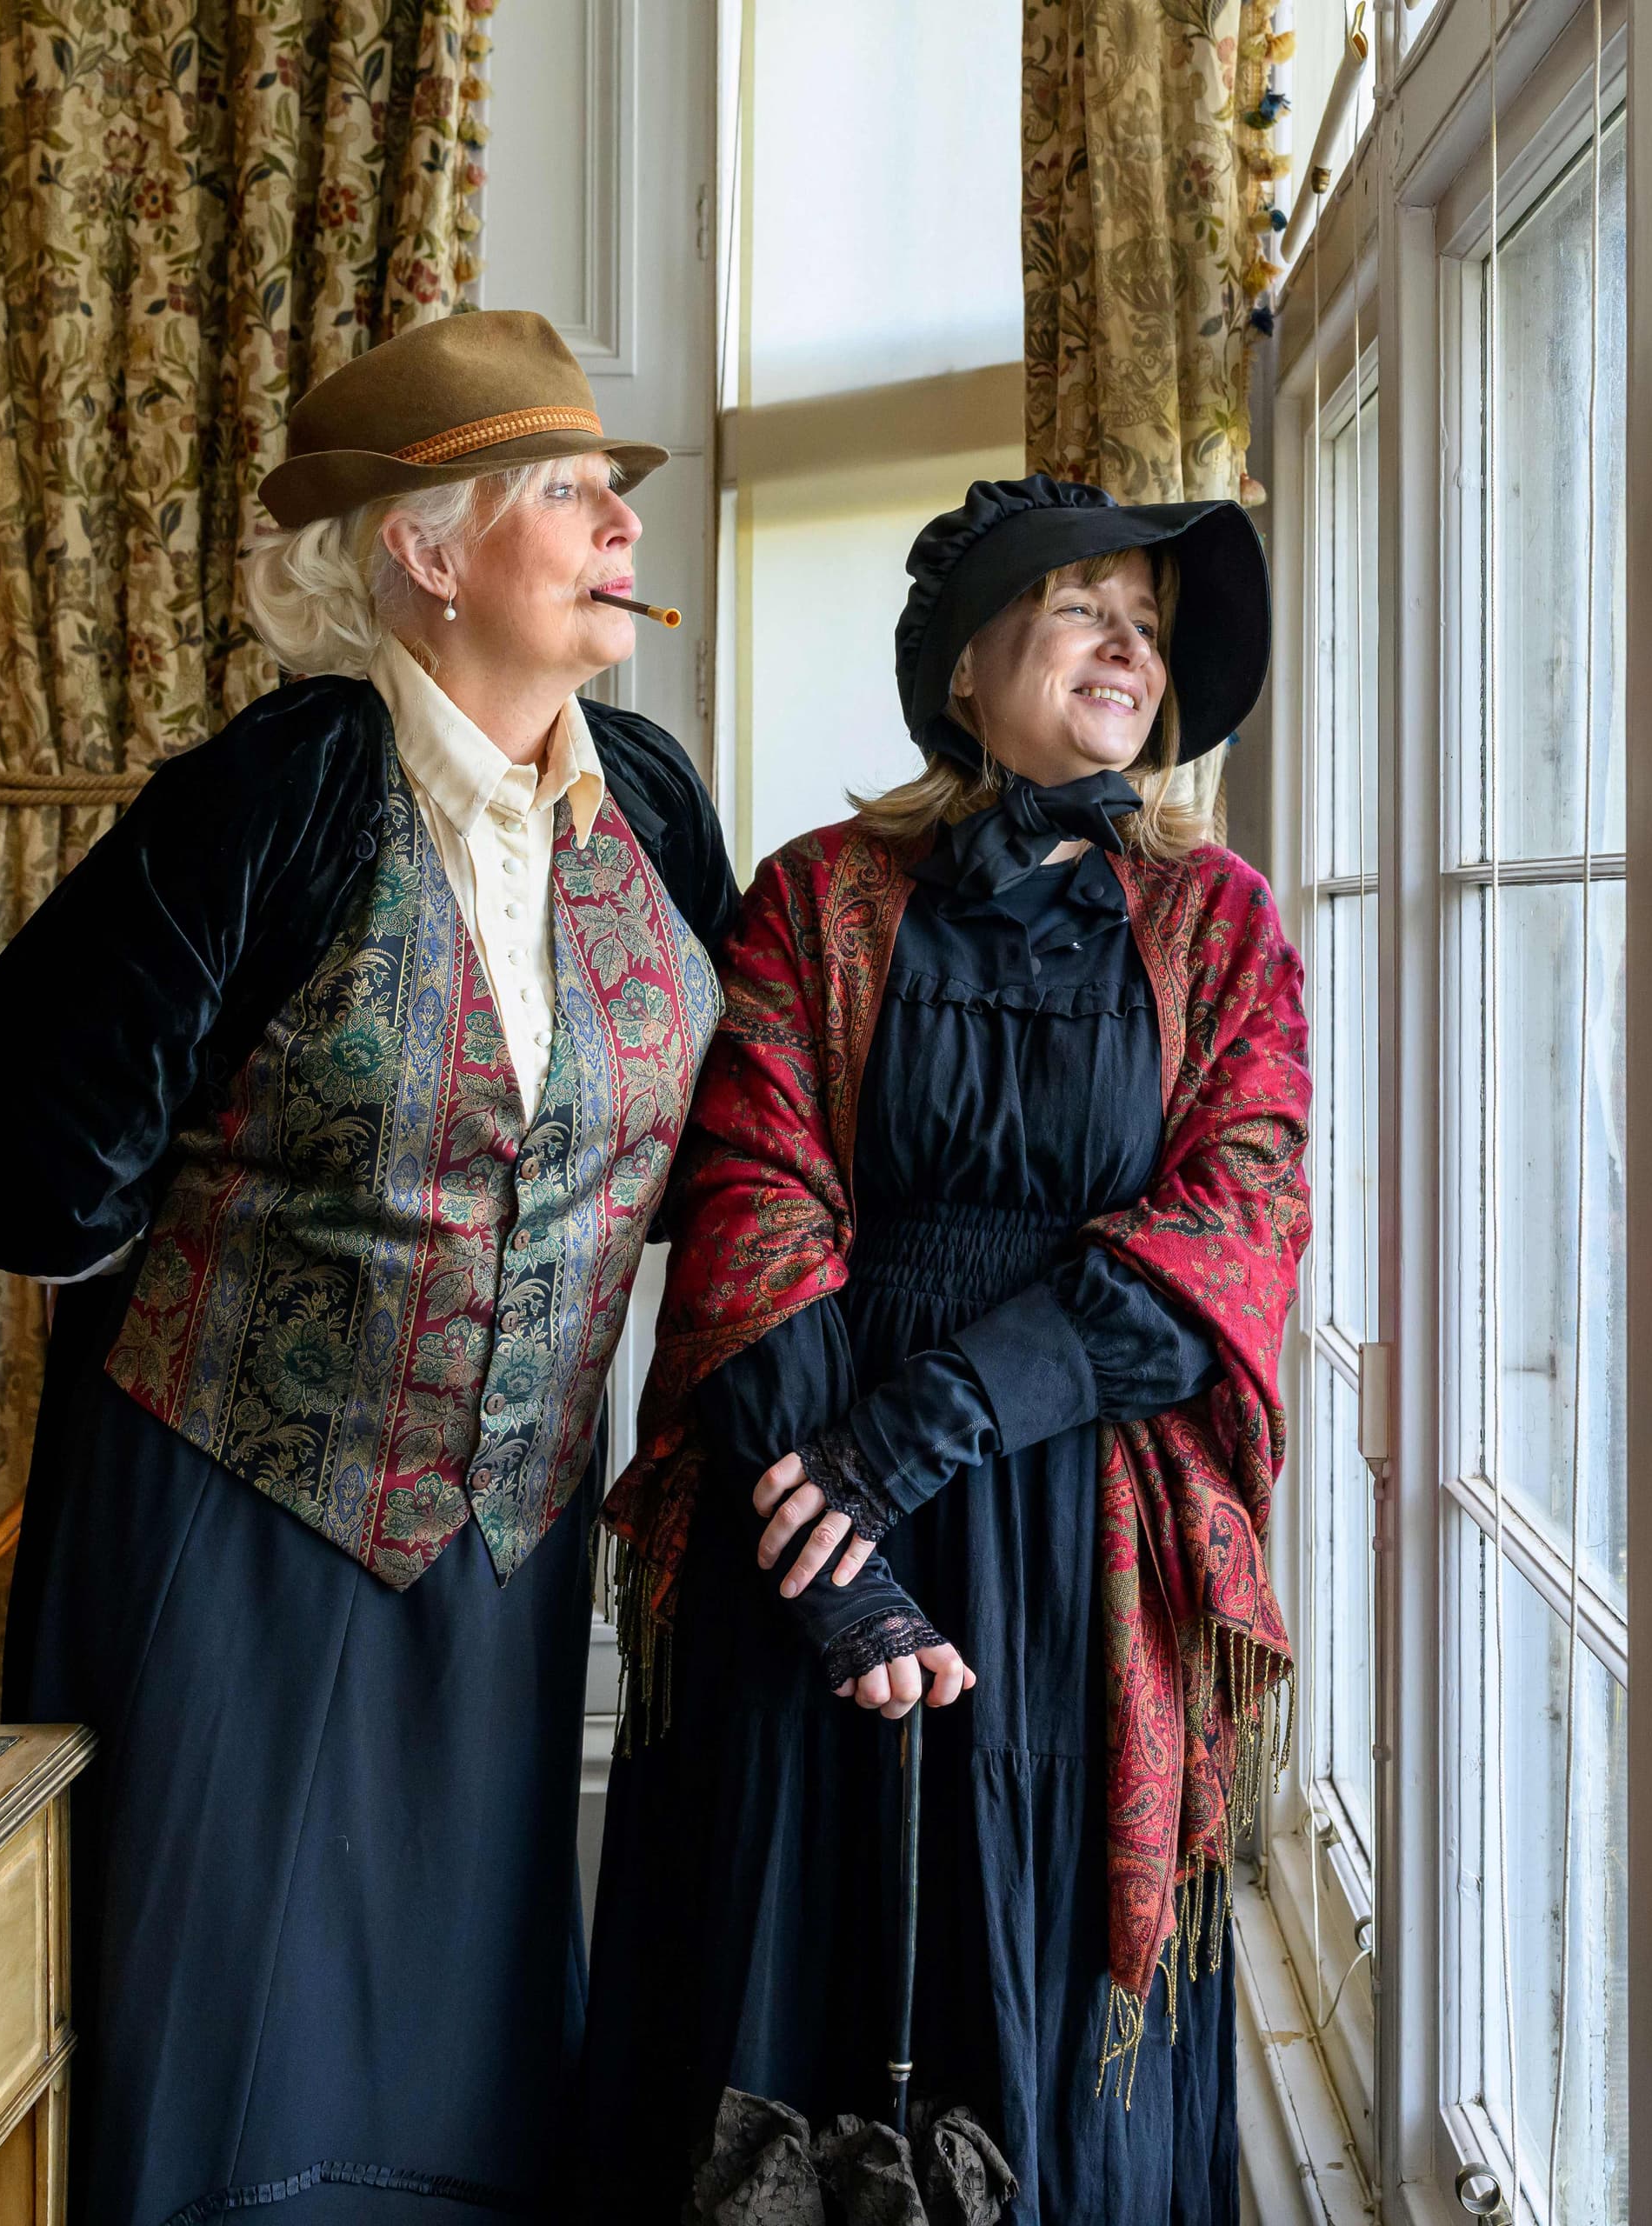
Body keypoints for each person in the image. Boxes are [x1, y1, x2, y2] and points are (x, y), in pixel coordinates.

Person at [0, 310, 736, 2226]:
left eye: (615, 490)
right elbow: (9, 1156)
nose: (621, 523)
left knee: (463, 2055)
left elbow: (735, 1134)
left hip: (509, 1548)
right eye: (567, 491)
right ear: (426, 553)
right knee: (235, 2049)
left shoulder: (653, 799)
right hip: (236, 1527)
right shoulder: (272, 793)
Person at [583, 475, 1309, 2224]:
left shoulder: (1221, 922)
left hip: (1075, 1533)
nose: (1129, 648)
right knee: (794, 1980)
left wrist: (921, 1429)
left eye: (1149, 623)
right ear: (967, 667)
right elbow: (749, 1198)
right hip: (806, 1503)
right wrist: (838, 1552)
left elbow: (1232, 1230)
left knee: (1041, 1993)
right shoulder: (814, 896)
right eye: (1083, 608)